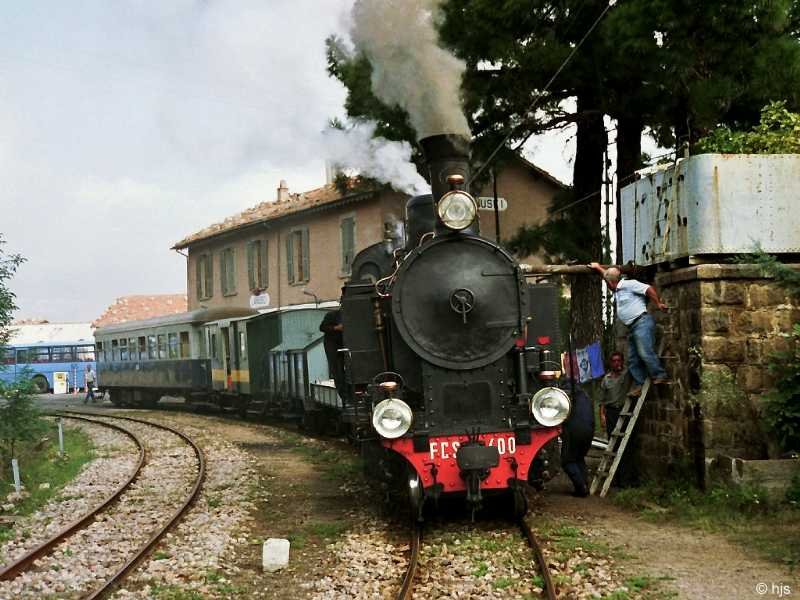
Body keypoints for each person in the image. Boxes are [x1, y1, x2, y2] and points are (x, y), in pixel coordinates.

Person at [589, 262, 670, 397]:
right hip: (632, 327)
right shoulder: (616, 289)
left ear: (612, 282)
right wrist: (598, 268)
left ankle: (659, 374)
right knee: (632, 359)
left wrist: (658, 303)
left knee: (645, 352)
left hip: (641, 322)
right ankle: (640, 384)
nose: (607, 283)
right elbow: (607, 276)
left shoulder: (629, 284)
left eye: (607, 281)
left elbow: (648, 288)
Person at [599, 351, 639, 487]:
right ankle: (617, 479)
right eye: (614, 361)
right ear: (611, 363)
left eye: (619, 361)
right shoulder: (606, 379)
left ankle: (629, 479)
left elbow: (636, 369)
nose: (616, 363)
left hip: (624, 412)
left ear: (622, 362)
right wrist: (602, 417)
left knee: (627, 446)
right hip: (611, 414)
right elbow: (602, 401)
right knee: (614, 446)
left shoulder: (626, 375)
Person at [559, 379, 594, 497]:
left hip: (574, 431)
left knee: (567, 461)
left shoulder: (566, 395)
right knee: (579, 458)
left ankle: (581, 488)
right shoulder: (585, 395)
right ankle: (585, 484)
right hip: (589, 430)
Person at [319, 309, 346, 399]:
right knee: (337, 369)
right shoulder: (332, 315)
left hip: (344, 344)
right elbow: (322, 327)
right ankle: (342, 393)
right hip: (332, 345)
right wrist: (336, 328)